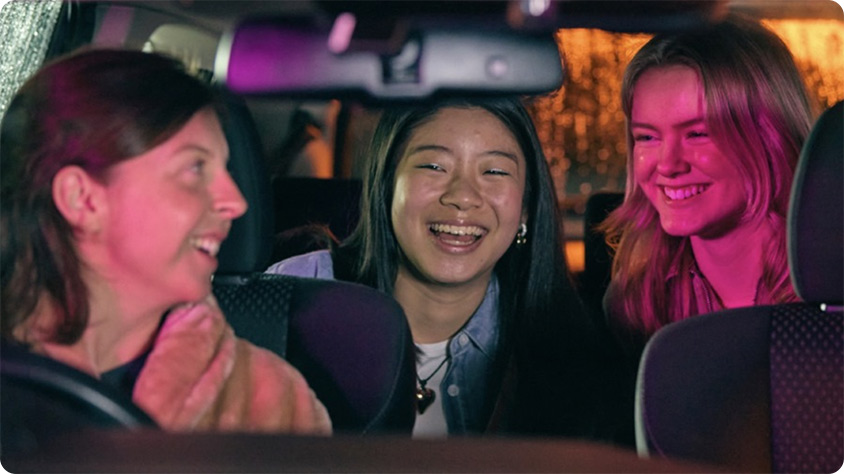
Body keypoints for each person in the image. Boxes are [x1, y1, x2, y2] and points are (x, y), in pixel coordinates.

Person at [0, 49, 331, 434]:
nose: (237, 202)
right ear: (83, 200)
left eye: (224, 169)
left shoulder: (271, 401)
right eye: (194, 168)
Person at [268, 96, 621, 439]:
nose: (463, 196)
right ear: (387, 183)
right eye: (434, 166)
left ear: (526, 210)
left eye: (495, 171)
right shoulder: (290, 298)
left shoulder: (571, 357)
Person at [599, 14, 815, 361]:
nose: (668, 165)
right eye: (647, 137)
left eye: (698, 133)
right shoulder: (635, 304)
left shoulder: (827, 289)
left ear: (769, 136)